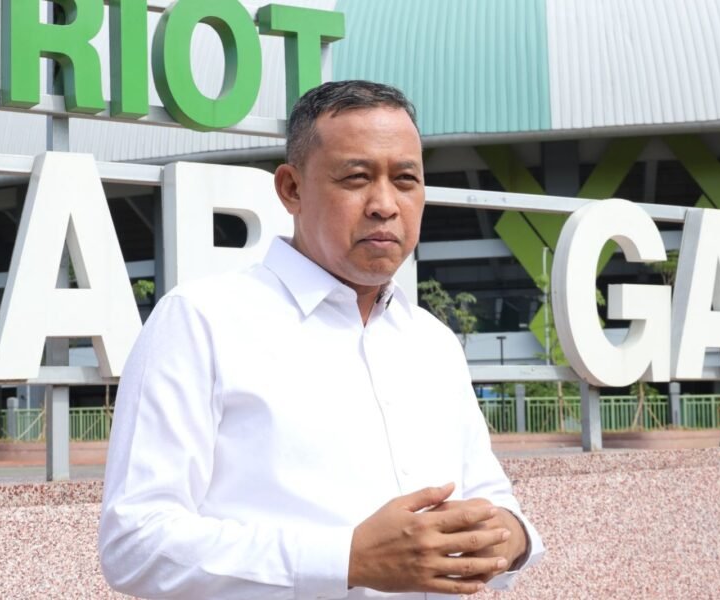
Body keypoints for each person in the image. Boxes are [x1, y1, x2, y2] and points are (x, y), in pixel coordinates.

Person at [98, 80, 544, 599]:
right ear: (292, 189)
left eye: (405, 180)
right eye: (356, 177)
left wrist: (512, 537)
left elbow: (488, 496)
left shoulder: (432, 342)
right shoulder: (202, 321)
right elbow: (135, 543)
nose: (385, 204)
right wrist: (344, 560)